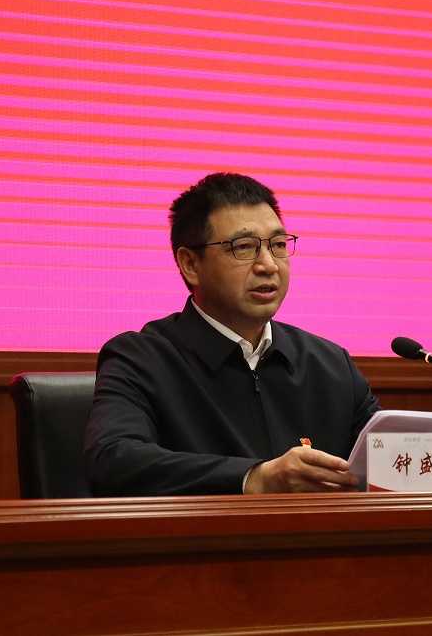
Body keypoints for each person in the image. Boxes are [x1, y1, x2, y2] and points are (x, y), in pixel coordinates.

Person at [83, 172, 380, 496]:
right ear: (191, 264)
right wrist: (254, 478)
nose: (269, 265)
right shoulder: (142, 359)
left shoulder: (331, 364)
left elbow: (390, 460)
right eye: (244, 247)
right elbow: (112, 461)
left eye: (278, 245)